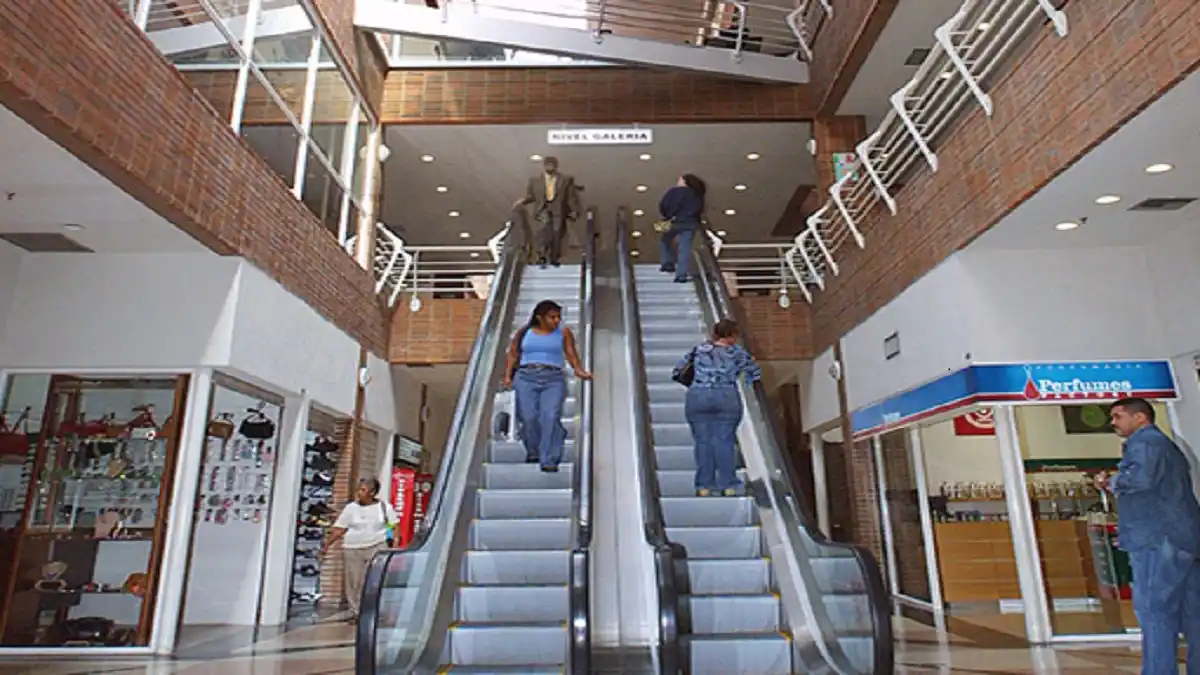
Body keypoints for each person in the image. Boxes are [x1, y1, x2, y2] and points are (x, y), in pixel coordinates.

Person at [1094, 397, 1200, 674]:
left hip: (1157, 539)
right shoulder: (1164, 445)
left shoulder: (1145, 442)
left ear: (1140, 418)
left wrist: (1110, 481)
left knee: (1156, 612)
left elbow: (1140, 480)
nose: (1113, 423)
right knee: (1192, 613)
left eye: (1118, 416)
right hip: (1182, 539)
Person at [673, 319, 761, 496]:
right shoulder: (737, 353)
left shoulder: (698, 350)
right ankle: (728, 485)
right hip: (726, 396)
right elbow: (754, 373)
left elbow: (677, 371)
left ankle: (704, 486)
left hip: (698, 396)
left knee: (703, 441)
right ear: (733, 335)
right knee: (724, 440)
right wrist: (748, 382)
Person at [502, 300, 591, 472]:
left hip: (553, 378)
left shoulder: (564, 333)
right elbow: (513, 353)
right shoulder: (524, 332)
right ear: (539, 318)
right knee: (528, 417)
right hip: (526, 377)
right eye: (552, 317)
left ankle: (549, 459)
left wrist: (579, 370)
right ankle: (534, 450)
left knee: (549, 416)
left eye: (558, 317)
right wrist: (507, 375)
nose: (556, 320)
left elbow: (571, 353)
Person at [320, 477, 398, 622]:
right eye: (358, 489)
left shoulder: (384, 507)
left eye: (362, 490)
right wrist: (327, 544)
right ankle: (355, 611)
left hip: (376, 546)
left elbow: (391, 526)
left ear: (372, 492)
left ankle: (372, 609)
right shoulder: (351, 508)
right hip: (353, 548)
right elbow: (340, 529)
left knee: (373, 579)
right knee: (354, 581)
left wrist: (392, 541)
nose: (358, 493)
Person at [513, 156, 581, 267]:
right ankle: (542, 256)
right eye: (548, 165)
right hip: (542, 209)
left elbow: (570, 197)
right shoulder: (535, 181)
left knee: (557, 233)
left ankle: (554, 258)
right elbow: (531, 196)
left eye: (552, 165)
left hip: (558, 209)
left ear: (556, 166)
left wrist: (574, 210)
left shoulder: (565, 179)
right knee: (544, 231)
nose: (550, 167)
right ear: (544, 166)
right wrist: (522, 201)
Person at [658, 174, 707, 283]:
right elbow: (699, 210)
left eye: (680, 179)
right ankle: (681, 275)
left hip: (673, 221)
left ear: (684, 181)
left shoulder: (675, 191)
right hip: (690, 223)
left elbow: (664, 205)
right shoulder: (696, 194)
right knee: (684, 248)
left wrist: (668, 215)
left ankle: (667, 263)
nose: (678, 181)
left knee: (664, 240)